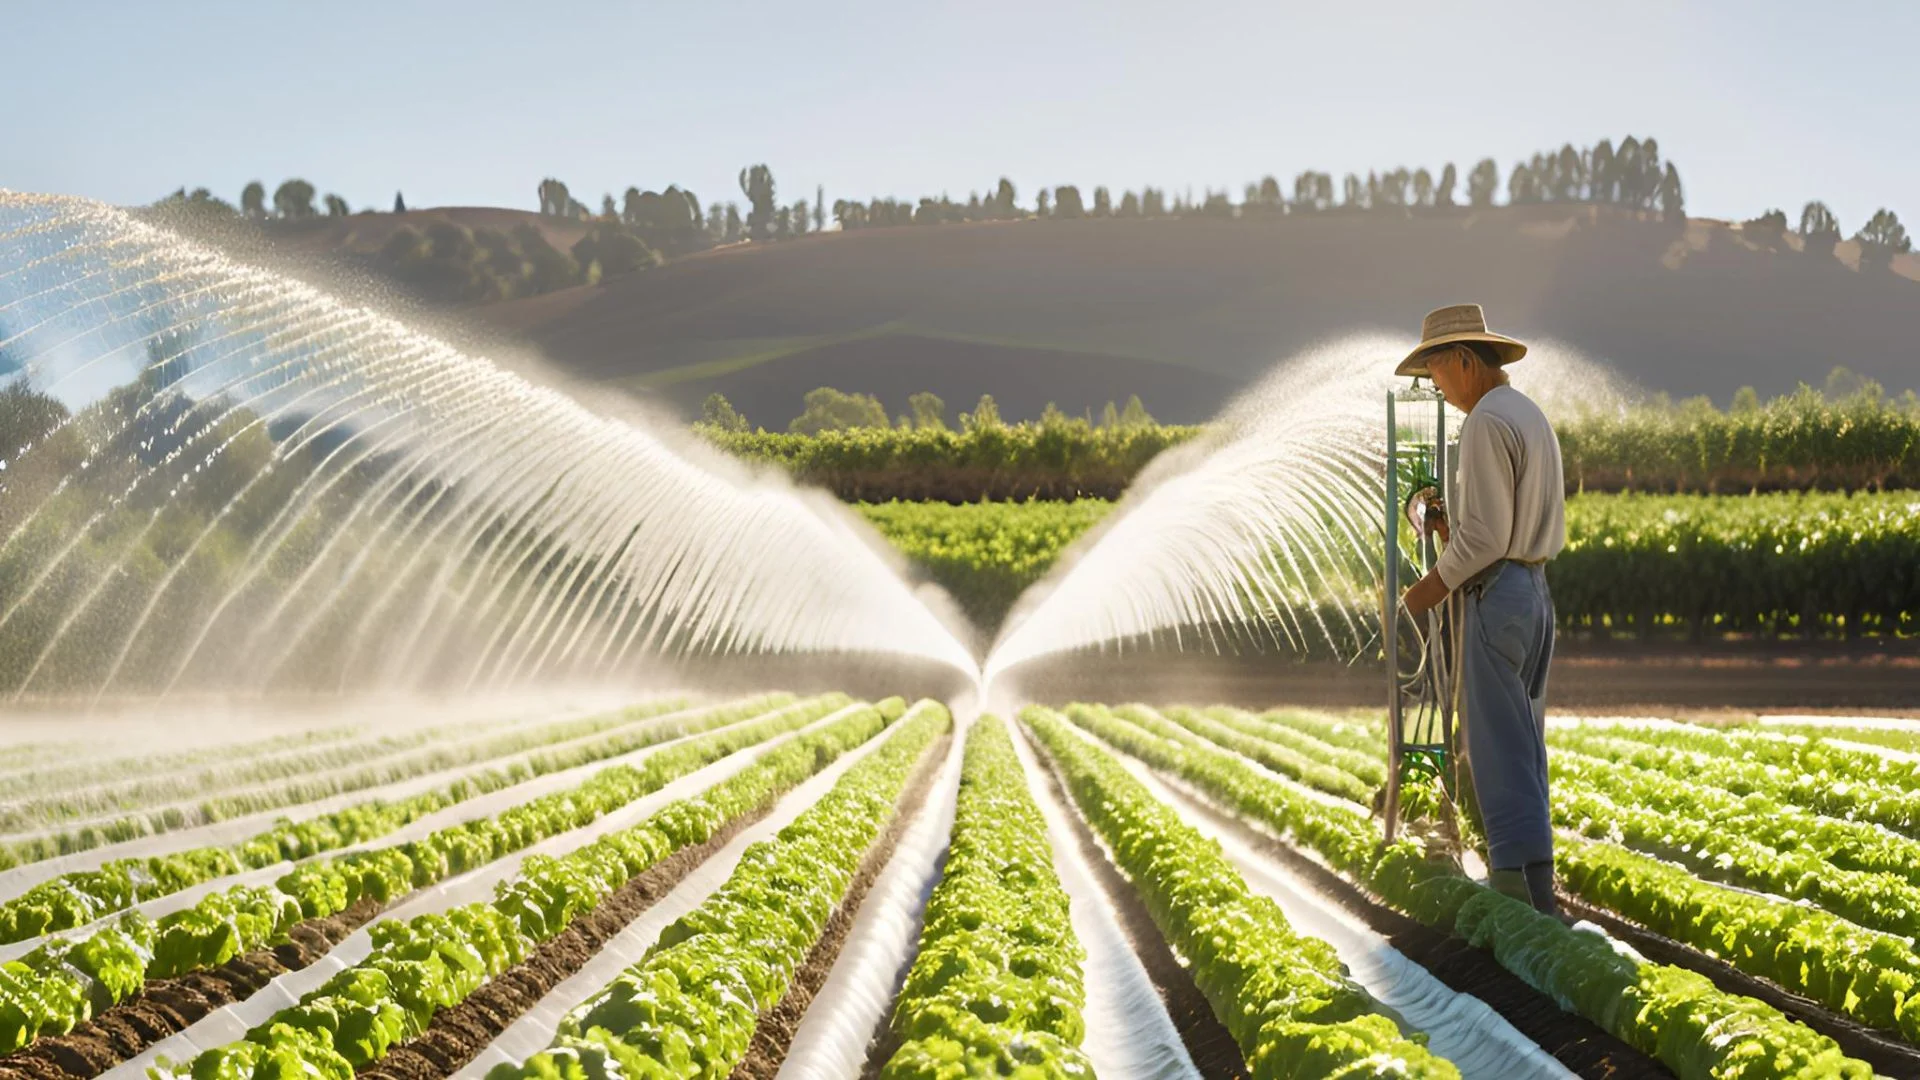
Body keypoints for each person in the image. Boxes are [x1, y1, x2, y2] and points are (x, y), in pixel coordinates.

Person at [1396, 303, 1565, 915]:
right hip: (1534, 594)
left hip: (1500, 595)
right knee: (1524, 742)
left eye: (1438, 375)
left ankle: (1520, 895)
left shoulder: (1486, 422)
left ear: (1465, 362)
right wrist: (1451, 528)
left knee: (1497, 748)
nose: (1438, 390)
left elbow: (1488, 539)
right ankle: (1539, 889)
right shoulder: (1526, 414)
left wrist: (1428, 589)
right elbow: (1500, 527)